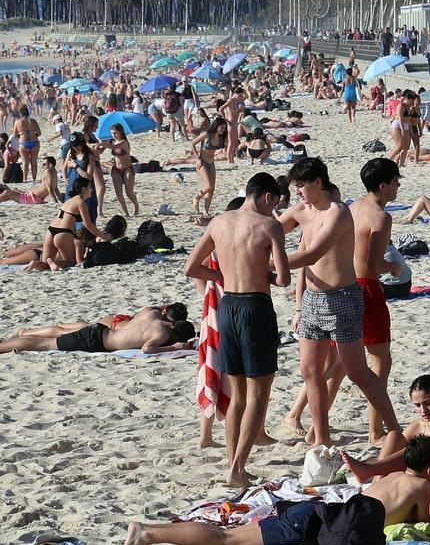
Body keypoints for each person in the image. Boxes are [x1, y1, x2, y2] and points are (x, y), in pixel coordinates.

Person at [121, 436, 430, 545]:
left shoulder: (394, 475)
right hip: (316, 523)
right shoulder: (422, 485)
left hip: (317, 510)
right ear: (429, 469)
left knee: (225, 535)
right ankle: (148, 533)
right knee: (226, 542)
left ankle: (151, 533)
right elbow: (428, 526)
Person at [279, 158, 399, 448]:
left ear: (318, 183)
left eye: (301, 185)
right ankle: (321, 439)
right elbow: (270, 232)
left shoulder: (340, 213)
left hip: (342, 297)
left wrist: (269, 266)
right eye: (295, 186)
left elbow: (313, 255)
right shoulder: (301, 211)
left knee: (356, 371)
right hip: (312, 299)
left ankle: (394, 430)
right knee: (311, 372)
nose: (297, 191)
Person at [183, 173, 290, 487]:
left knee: (238, 395)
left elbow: (191, 268)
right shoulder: (270, 226)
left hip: (227, 306)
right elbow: (283, 279)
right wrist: (261, 274)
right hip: (255, 307)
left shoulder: (219, 221)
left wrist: (225, 278)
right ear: (268, 197)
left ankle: (234, 464)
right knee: (259, 393)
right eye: (276, 203)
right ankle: (236, 469)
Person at [341, 375, 430, 508]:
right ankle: (373, 488)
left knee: (421, 454)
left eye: (427, 403)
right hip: (422, 484)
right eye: (417, 405)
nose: (423, 410)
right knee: (394, 436)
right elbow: (396, 457)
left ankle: (369, 473)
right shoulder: (418, 425)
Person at [350, 158, 402, 443]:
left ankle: (304, 421)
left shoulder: (352, 208)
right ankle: (375, 430)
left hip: (344, 285)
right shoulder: (381, 217)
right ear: (382, 186)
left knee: (337, 364)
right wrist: (394, 268)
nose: (398, 186)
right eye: (395, 181)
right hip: (367, 287)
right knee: (380, 360)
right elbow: (372, 264)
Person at [0, 304, 193, 354]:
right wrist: (174, 348)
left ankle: (11, 340)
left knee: (53, 335)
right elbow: (147, 349)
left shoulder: (154, 316)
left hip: (101, 329)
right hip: (96, 340)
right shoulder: (162, 334)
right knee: (44, 344)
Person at [40, 177, 108, 270]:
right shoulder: (81, 202)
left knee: (44, 265)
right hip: (63, 232)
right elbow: (88, 224)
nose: (92, 190)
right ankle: (52, 262)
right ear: (84, 189)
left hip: (50, 230)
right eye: (90, 187)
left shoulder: (69, 201)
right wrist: (102, 236)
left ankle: (36, 263)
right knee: (71, 263)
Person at [191, 118, 228, 217]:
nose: (223, 130)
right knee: (208, 186)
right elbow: (193, 144)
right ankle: (197, 197)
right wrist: (197, 158)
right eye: (221, 127)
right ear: (216, 126)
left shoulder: (221, 138)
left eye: (224, 128)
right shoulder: (207, 134)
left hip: (211, 164)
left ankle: (206, 211)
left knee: (212, 189)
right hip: (202, 163)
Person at [106, 123, 139, 216]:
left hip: (127, 168)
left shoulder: (124, 142)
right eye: (112, 133)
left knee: (129, 193)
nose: (114, 135)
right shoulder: (112, 142)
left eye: (115, 133)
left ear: (120, 132)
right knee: (118, 193)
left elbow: (114, 147)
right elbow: (105, 148)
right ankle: (126, 213)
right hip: (116, 169)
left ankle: (136, 205)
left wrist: (102, 143)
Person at [13, 106, 39, 182]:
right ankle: (34, 179)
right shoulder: (33, 121)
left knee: (25, 162)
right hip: (34, 142)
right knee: (34, 161)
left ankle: (25, 179)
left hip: (23, 143)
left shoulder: (17, 122)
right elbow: (39, 133)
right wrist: (34, 135)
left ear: (20, 113)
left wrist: (21, 135)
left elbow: (14, 135)